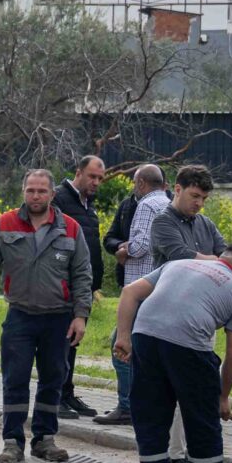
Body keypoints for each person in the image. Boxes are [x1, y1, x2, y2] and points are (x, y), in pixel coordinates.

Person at [111, 244, 232, 463]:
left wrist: (123, 336)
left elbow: (130, 292)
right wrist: (222, 397)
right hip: (189, 347)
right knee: (202, 422)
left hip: (145, 337)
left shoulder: (176, 264)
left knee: (151, 420)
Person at [0, 169, 93, 463]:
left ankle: (44, 440)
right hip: (20, 317)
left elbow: (82, 274)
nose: (35, 196)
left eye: (41, 191)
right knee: (15, 379)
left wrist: (81, 315)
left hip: (58, 318)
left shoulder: (71, 228)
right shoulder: (5, 223)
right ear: (23, 191)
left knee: (53, 379)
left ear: (52, 194)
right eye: (30, 190)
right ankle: (12, 443)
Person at [94, 163, 169, 426]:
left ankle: (127, 406)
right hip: (161, 288)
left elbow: (140, 246)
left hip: (140, 289)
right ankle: (149, 405)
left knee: (121, 345)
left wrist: (124, 249)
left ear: (141, 184)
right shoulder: (167, 203)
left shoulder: (146, 205)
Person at [50, 155, 106, 418]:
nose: (96, 182)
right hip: (62, 285)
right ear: (79, 172)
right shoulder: (59, 199)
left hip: (84, 286)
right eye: (92, 176)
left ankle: (67, 391)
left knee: (73, 341)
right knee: (58, 343)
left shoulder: (88, 206)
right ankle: (54, 396)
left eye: (100, 179)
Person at [145, 164, 228, 270]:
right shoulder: (162, 221)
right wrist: (215, 261)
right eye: (195, 196)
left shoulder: (206, 223)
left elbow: (225, 254)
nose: (200, 203)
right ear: (178, 190)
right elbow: (181, 256)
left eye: (204, 198)